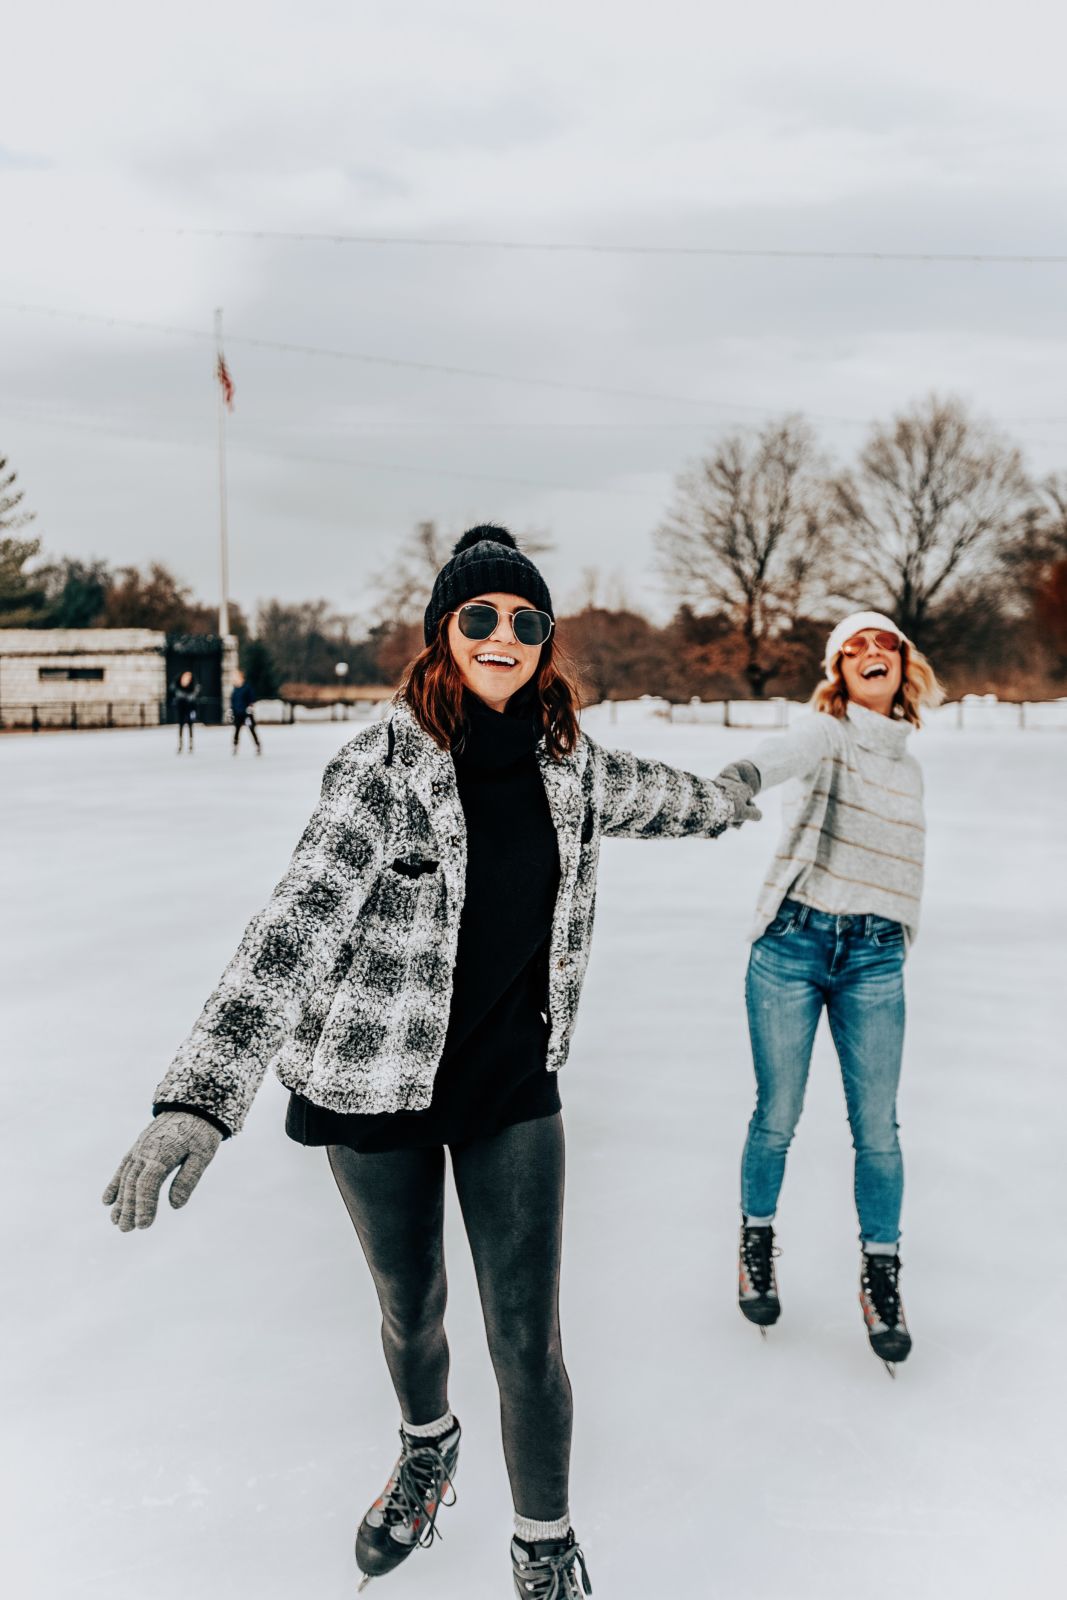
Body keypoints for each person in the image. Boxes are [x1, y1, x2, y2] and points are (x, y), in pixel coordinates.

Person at [102, 526, 762, 1596]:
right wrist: (199, 1097)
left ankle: (543, 1544)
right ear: (441, 635)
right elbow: (293, 926)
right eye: (480, 618)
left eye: (525, 621)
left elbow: (661, 795)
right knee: (411, 1307)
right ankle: (426, 1446)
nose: (503, 635)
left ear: (545, 644)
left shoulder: (570, 765)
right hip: (370, 1088)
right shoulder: (377, 769)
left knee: (526, 1336)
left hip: (509, 1085)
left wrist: (728, 797)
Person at [722, 612, 944, 1373]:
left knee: (877, 1128)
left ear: (903, 664)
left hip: (874, 956)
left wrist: (896, 936)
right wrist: (744, 777)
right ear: (836, 668)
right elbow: (789, 750)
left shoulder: (906, 763)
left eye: (886, 643)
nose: (872, 652)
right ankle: (756, 1242)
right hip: (794, 943)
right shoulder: (825, 731)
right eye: (856, 645)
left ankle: (880, 1274)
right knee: (776, 1113)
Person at [230, 669, 261, 756]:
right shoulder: (235, 689)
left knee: (251, 729)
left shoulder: (247, 687)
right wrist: (231, 710)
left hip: (246, 714)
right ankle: (235, 746)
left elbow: (252, 699)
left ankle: (257, 745)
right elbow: (233, 701)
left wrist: (249, 708)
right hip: (238, 713)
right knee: (237, 730)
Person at [172, 670, 199, 754]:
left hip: (189, 708)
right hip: (181, 708)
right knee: (181, 726)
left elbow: (194, 696)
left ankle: (191, 744)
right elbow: (173, 691)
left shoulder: (192, 687)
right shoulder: (178, 686)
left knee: (190, 725)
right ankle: (180, 744)